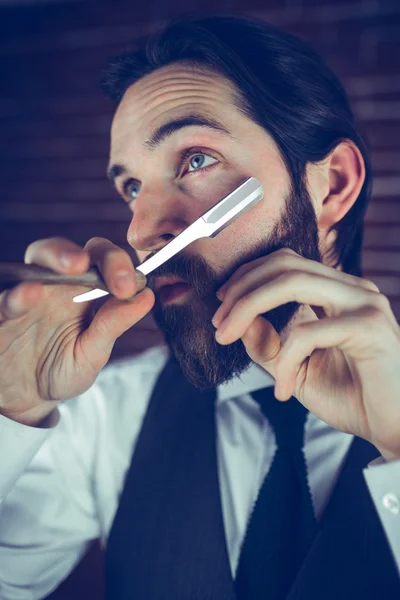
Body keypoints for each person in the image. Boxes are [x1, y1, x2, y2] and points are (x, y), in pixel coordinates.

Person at [0, 13, 399, 600]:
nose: (141, 230)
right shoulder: (106, 416)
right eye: (131, 187)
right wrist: (9, 409)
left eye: (195, 161)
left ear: (332, 185)